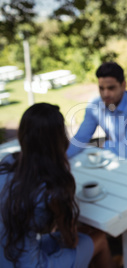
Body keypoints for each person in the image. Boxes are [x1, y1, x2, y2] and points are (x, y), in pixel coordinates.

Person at [0, 103, 114, 267]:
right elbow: (71, 241)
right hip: (28, 264)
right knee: (100, 239)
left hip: (6, 256)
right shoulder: (54, 185)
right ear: (59, 139)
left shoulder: (8, 163)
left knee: (85, 234)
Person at [67, 62, 127, 159]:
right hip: (117, 157)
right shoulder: (95, 105)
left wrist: (104, 144)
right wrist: (60, 159)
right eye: (101, 88)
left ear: (123, 85)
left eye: (111, 88)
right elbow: (80, 139)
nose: (105, 94)